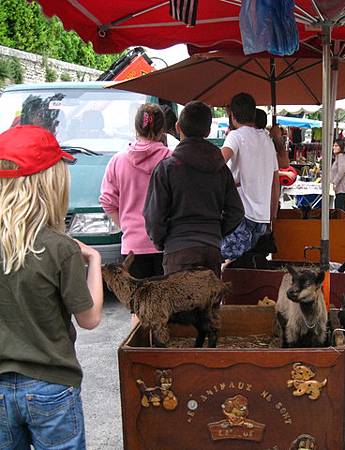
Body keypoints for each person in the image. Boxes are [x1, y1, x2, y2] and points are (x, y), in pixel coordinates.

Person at [0, 125, 103, 448]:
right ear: (50, 183)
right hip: (52, 385)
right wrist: (95, 260)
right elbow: (90, 319)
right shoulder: (60, 247)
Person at [144, 101, 244, 276]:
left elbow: (154, 217)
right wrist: (215, 232)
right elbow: (236, 211)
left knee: (180, 303)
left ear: (177, 127)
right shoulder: (221, 169)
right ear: (207, 132)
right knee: (209, 303)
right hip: (211, 250)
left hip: (177, 251)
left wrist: (163, 242)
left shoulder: (167, 168)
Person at [100, 103, 171, 326]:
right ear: (162, 131)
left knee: (138, 308)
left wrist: (124, 225)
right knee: (165, 305)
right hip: (165, 243)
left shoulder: (118, 161)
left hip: (132, 246)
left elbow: (107, 201)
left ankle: (139, 354)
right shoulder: (171, 159)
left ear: (135, 128)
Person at [220, 93, 279, 260]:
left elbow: (219, 160)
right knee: (249, 266)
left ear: (232, 115)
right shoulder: (267, 140)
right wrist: (272, 213)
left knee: (226, 262)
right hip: (262, 218)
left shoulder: (236, 136)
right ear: (254, 113)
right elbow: (275, 181)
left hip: (241, 215)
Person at [331, 138, 345, 210]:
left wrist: (334, 183)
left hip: (341, 188)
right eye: (333, 145)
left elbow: (341, 172)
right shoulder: (338, 156)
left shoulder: (341, 156)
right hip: (339, 188)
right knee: (339, 209)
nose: (334, 147)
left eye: (336, 146)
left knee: (339, 210)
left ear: (341, 147)